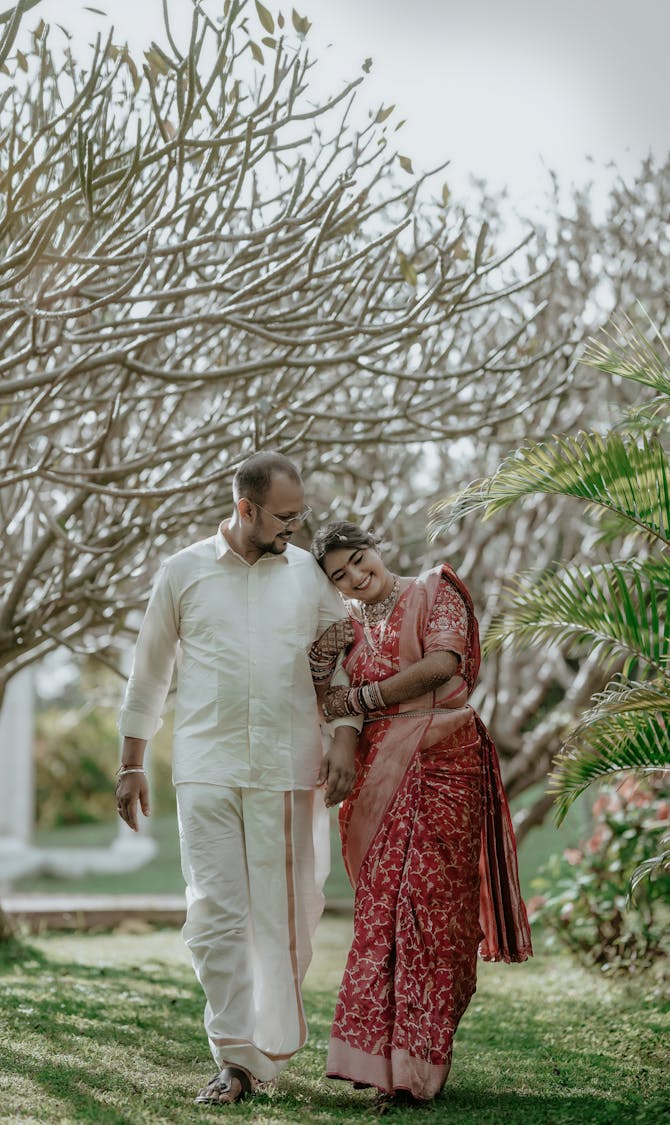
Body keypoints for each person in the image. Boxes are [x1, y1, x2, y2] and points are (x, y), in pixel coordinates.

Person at [116, 453, 359, 1107]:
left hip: (286, 768)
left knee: (288, 916)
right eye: (284, 515)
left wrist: (345, 736)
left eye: (300, 514)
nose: (295, 525)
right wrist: (131, 760)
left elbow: (340, 664)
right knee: (215, 913)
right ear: (245, 508)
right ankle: (235, 1058)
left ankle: (268, 1044)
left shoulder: (309, 573)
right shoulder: (183, 571)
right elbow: (150, 671)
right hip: (206, 767)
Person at [309, 520, 532, 1107]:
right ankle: (380, 1068)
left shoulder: (435, 591)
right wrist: (320, 659)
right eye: (341, 575)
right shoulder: (347, 627)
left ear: (376, 548)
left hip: (446, 764)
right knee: (382, 912)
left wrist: (360, 698)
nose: (357, 576)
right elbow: (318, 692)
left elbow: (442, 665)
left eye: (360, 559)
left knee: (433, 912)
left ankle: (420, 1065)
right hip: (378, 775)